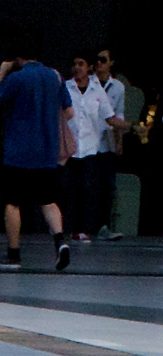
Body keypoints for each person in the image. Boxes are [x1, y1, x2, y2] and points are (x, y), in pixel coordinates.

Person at [0, 51, 72, 270]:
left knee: (12, 201)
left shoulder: (17, 78)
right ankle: (60, 241)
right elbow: (69, 111)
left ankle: (13, 254)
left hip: (19, 150)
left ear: (17, 58)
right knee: (48, 201)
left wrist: (2, 72)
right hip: (47, 151)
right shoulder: (55, 77)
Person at [64, 54, 110, 241]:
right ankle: (61, 227)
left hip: (89, 147)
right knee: (66, 189)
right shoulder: (66, 87)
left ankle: (82, 229)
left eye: (81, 64)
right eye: (74, 64)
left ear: (89, 67)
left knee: (87, 190)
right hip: (69, 147)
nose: (77, 68)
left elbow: (108, 116)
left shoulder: (97, 90)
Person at [94, 50, 131, 238]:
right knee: (86, 184)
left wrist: (119, 141)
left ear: (111, 63)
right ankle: (82, 227)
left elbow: (118, 114)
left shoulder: (117, 87)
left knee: (107, 186)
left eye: (103, 60)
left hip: (107, 141)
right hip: (88, 143)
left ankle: (103, 226)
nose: (99, 63)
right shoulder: (88, 83)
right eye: (97, 60)